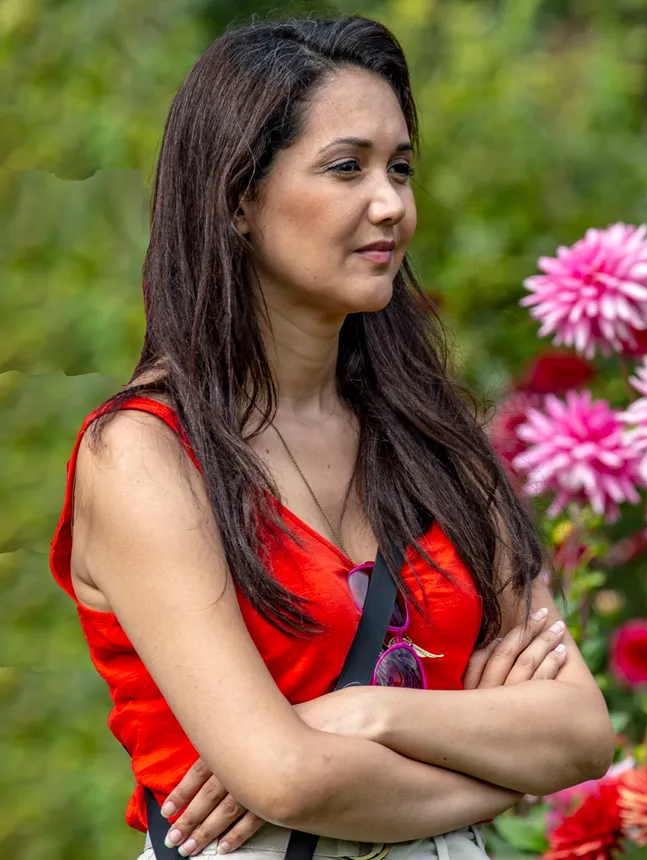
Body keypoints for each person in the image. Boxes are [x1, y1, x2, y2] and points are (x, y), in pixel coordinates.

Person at [47, 14, 615, 860]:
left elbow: (579, 731)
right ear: (239, 199)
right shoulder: (145, 456)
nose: (390, 204)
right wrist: (504, 768)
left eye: (400, 168)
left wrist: (369, 712)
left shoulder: (432, 440)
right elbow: (285, 776)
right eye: (346, 167)